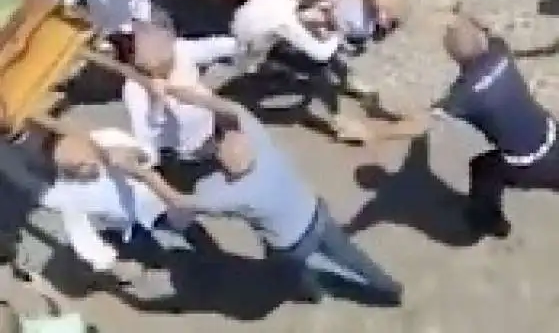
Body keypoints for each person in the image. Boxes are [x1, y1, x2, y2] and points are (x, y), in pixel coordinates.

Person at [154, 105, 403, 306]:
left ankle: (312, 293)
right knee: (352, 256)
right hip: (317, 215)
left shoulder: (229, 193)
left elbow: (178, 201)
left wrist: (144, 174)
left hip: (291, 244)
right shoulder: (263, 147)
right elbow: (238, 110)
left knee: (289, 272)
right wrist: (197, 96)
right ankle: (389, 287)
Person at [372, 12, 559, 240]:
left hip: (528, 162)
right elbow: (486, 29)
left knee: (483, 169)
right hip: (551, 131)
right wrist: (463, 16)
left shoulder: (464, 94)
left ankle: (489, 223)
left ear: (455, 59)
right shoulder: (500, 51)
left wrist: (373, 132)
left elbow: (421, 124)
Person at [231, 0, 367, 141]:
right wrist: (338, 32)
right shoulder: (284, 19)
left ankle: (345, 85)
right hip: (253, 58)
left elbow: (294, 17)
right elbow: (320, 53)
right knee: (320, 67)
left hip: (248, 39)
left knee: (315, 38)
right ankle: (337, 121)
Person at [39, 125, 188, 277]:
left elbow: (150, 156)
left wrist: (133, 155)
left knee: (182, 231)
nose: (89, 165)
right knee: (154, 250)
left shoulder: (108, 139)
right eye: (77, 168)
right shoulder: (67, 192)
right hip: (128, 227)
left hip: (157, 203)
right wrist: (106, 260)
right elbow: (80, 232)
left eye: (87, 158)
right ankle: (164, 261)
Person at [123, 22, 239, 163]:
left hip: (212, 122)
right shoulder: (134, 88)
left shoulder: (180, 49)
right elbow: (147, 136)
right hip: (187, 150)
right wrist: (156, 103)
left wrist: (242, 43)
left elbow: (214, 47)